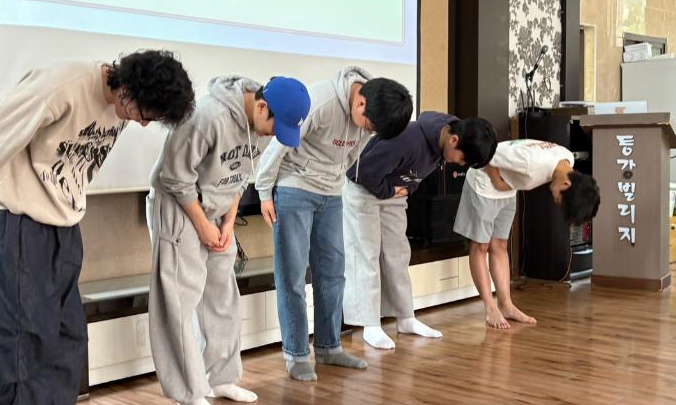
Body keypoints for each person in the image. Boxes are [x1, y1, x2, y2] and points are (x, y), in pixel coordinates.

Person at [0, 50, 195, 405]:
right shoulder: (64, 86)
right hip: (20, 224)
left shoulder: (120, 108)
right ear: (129, 88)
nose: (143, 123)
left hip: (64, 226)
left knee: (68, 333)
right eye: (145, 114)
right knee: (24, 340)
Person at [147, 75, 310, 405]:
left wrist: (226, 223)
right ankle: (189, 396)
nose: (273, 135)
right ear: (262, 107)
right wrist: (202, 225)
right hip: (178, 207)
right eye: (275, 127)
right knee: (179, 302)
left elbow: (239, 179)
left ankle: (220, 378)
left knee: (223, 297)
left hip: (218, 213)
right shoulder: (207, 116)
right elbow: (173, 177)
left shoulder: (259, 127)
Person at [255, 66, 413, 381]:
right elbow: (279, 145)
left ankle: (329, 348)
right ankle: (297, 355)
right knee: (292, 275)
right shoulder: (321, 101)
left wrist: (337, 179)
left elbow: (353, 155)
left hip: (331, 194)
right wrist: (264, 192)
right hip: (295, 188)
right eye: (369, 125)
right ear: (360, 103)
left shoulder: (370, 118)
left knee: (332, 274)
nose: (367, 132)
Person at [343, 113, 497, 349]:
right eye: (463, 159)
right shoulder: (407, 139)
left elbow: (416, 176)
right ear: (454, 140)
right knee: (367, 254)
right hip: (363, 189)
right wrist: (392, 191)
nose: (460, 164)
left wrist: (406, 189)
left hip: (393, 192)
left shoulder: (449, 135)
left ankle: (405, 317)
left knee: (397, 256)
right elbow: (361, 172)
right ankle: (369, 324)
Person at [454, 139, 600, 329]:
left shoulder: (566, 158)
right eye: (561, 200)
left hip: (507, 191)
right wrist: (497, 182)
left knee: (499, 246)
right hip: (483, 185)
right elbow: (486, 151)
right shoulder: (530, 162)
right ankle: (490, 308)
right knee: (481, 246)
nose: (557, 202)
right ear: (566, 183)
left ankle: (506, 305)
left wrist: (503, 186)